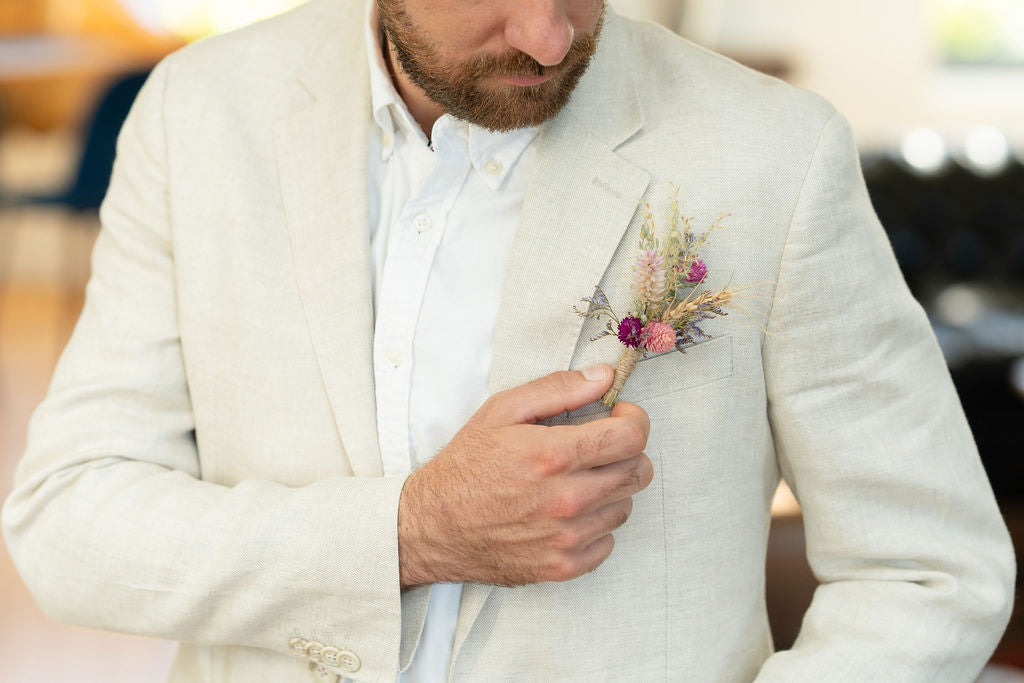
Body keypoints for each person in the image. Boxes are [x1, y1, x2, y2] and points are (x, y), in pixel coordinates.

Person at [2, 0, 1015, 680]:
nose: (544, 35)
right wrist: (410, 529)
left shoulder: (772, 150)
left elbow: (928, 567)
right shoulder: (198, 114)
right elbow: (68, 522)